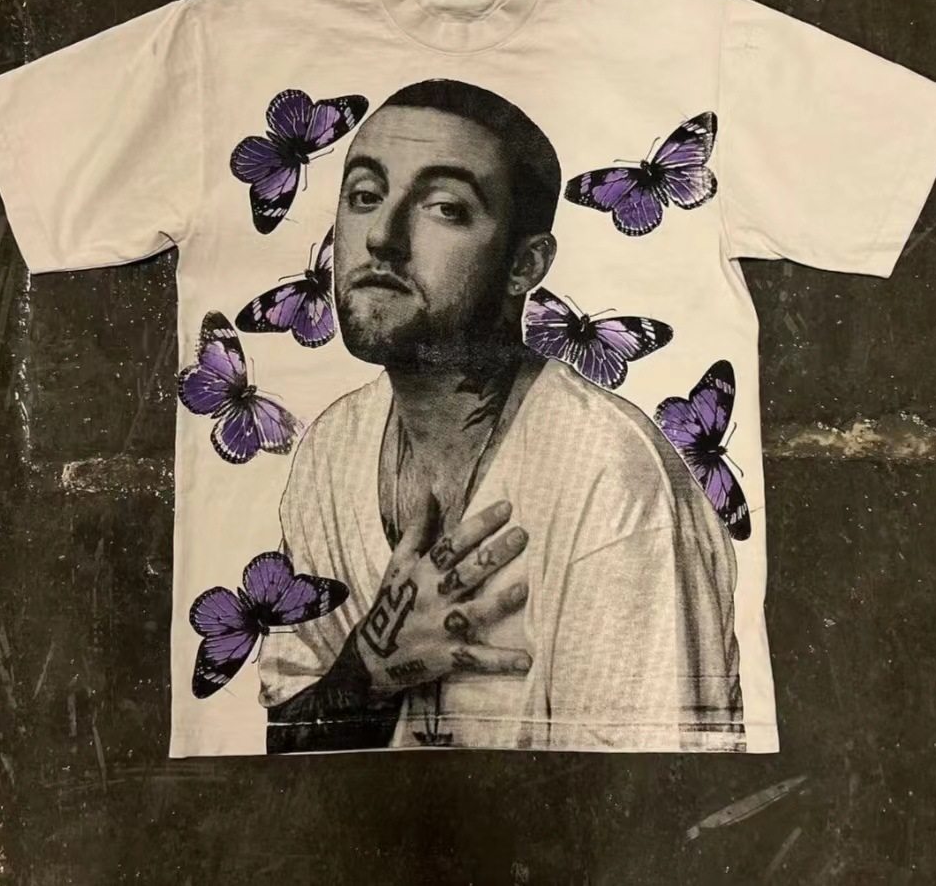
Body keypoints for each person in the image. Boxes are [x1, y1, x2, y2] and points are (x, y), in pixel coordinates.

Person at [259, 78, 744, 752]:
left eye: (445, 208)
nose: (382, 238)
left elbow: (649, 793)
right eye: (365, 196)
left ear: (524, 264)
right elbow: (281, 751)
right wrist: (368, 668)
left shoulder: (609, 475)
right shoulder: (331, 450)